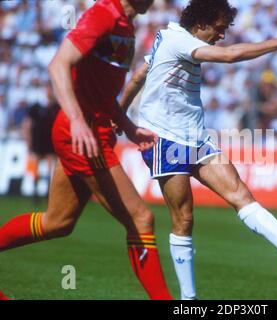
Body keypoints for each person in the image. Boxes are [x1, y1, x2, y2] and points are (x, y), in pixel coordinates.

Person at [120, 0, 277, 300]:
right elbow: (230, 56)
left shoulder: (170, 38)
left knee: (240, 193)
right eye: (218, 30)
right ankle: (188, 301)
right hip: (165, 139)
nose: (221, 36)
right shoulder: (179, 40)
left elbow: (140, 75)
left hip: (196, 137)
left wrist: (120, 112)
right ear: (201, 24)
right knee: (184, 218)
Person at [0, 0, 172, 300]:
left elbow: (101, 94)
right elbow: (58, 64)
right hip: (81, 134)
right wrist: (78, 120)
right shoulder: (104, 14)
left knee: (58, 222)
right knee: (141, 219)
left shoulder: (125, 24)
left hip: (92, 131)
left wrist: (128, 127)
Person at [22, 85, 59, 202]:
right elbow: (27, 124)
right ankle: (36, 192)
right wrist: (28, 140)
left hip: (50, 141)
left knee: (50, 167)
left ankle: (48, 192)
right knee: (36, 167)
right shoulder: (36, 107)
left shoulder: (56, 107)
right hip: (38, 141)